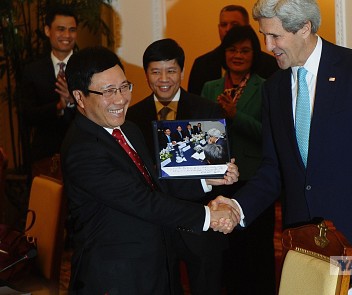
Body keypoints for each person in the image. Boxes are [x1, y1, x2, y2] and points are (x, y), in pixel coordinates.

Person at [213, 0, 352, 260]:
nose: (267, 46)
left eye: (275, 36)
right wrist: (236, 207)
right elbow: (272, 170)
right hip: (302, 244)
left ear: (304, 28)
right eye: (264, 36)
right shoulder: (273, 88)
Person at [61, 46, 238, 294]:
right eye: (109, 91)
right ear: (80, 97)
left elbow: (155, 183)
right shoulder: (83, 149)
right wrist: (208, 216)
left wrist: (205, 180)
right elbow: (143, 201)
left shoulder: (128, 129)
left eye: (124, 87)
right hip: (117, 278)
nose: (121, 99)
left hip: (155, 265)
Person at [126, 38, 235, 295]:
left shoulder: (207, 111)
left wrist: (226, 173)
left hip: (202, 224)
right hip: (155, 229)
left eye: (171, 70)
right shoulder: (132, 118)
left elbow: (216, 166)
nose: (164, 79)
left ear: (182, 72)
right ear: (146, 74)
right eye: (156, 71)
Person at [201, 25, 275, 294]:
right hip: (218, 180)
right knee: (224, 250)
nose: (238, 55)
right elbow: (203, 133)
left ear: (254, 54)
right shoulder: (210, 88)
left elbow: (269, 134)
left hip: (254, 180)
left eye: (245, 50)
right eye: (232, 49)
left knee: (256, 250)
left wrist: (235, 116)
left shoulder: (266, 88)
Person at [19, 4, 78, 178]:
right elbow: (27, 115)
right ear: (47, 30)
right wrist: (59, 106)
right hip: (45, 155)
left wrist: (73, 102)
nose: (67, 36)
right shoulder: (32, 70)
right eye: (60, 29)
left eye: (72, 30)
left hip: (81, 154)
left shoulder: (88, 67)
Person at [188, 4, 279, 95]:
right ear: (219, 28)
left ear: (247, 28)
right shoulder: (202, 64)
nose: (228, 29)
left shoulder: (270, 65)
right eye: (224, 25)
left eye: (235, 25)